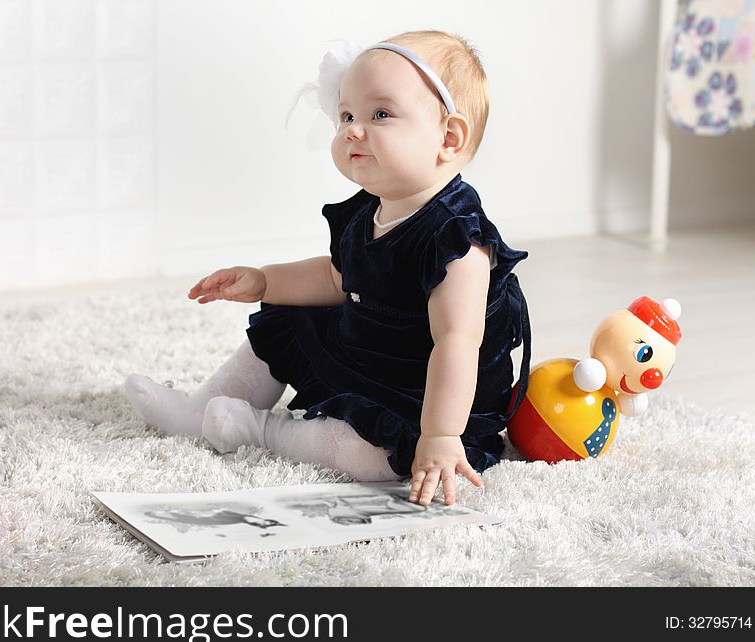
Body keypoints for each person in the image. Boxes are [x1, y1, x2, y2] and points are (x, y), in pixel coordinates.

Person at [124, 30, 530, 507]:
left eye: (379, 114)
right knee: (287, 322)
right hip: (370, 353)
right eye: (347, 115)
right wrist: (264, 280)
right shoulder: (369, 211)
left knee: (377, 457)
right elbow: (337, 280)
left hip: (427, 395)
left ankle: (261, 430)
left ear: (448, 137)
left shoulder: (457, 238)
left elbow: (458, 341)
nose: (353, 130)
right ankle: (198, 412)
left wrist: (440, 437)